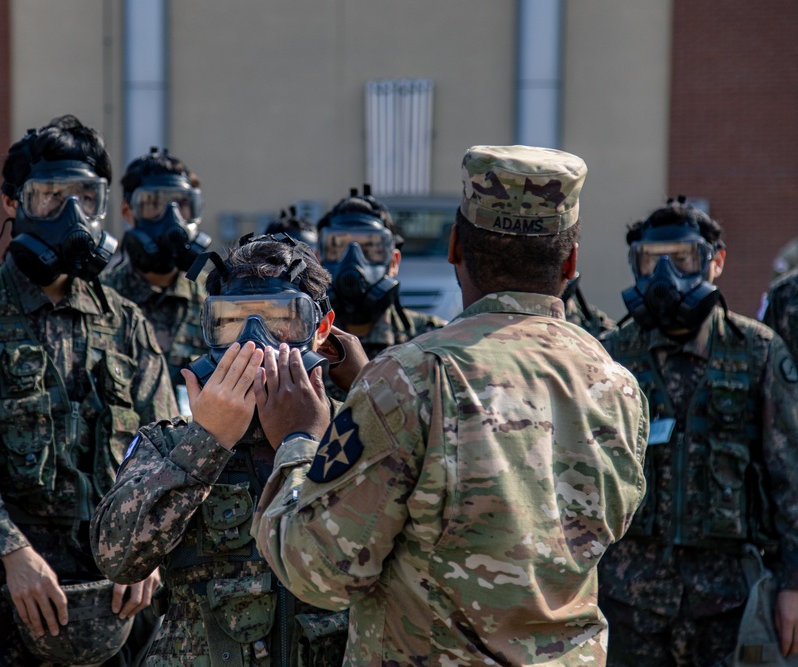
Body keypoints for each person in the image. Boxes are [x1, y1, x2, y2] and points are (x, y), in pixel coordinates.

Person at [251, 145, 651, 666]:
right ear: (571, 261)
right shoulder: (617, 386)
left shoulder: (412, 376)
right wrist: (373, 387)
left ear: (455, 246)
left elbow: (318, 572)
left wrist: (298, 439)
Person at [0, 118, 177, 666]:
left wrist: (148, 551)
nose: (70, 214)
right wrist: (12, 554)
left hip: (113, 601)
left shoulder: (126, 322)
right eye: (50, 196)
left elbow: (165, 449)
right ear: (12, 203)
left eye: (85, 197)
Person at [91, 233, 351, 667]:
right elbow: (116, 558)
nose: (253, 341)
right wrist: (206, 443)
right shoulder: (170, 443)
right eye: (231, 322)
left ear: (320, 330)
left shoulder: (357, 432)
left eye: (277, 320)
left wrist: (309, 437)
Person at [599, 199, 798, 666]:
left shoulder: (757, 352)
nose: (667, 276)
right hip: (628, 601)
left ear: (716, 261)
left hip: (727, 603)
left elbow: (789, 476)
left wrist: (793, 583)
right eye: (652, 261)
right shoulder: (612, 355)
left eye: (684, 259)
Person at [101, 147, 210, 413]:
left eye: (182, 205)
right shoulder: (101, 301)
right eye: (153, 204)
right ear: (127, 211)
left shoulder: (214, 301)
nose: (171, 219)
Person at [317, 186, 445, 365]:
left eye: (371, 248)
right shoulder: (302, 342)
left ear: (393, 262)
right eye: (337, 248)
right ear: (318, 261)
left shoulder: (432, 340)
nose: (353, 263)